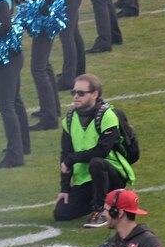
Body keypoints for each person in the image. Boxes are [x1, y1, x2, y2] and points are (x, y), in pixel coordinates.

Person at [53, 73, 133, 225]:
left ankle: (100, 210)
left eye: (81, 93)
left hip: (111, 174)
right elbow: (65, 154)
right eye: (74, 92)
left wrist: (71, 159)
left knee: (97, 162)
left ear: (95, 94)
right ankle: (108, 202)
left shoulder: (107, 116)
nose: (76, 96)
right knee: (61, 213)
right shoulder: (69, 120)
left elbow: (102, 151)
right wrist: (65, 188)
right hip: (86, 178)